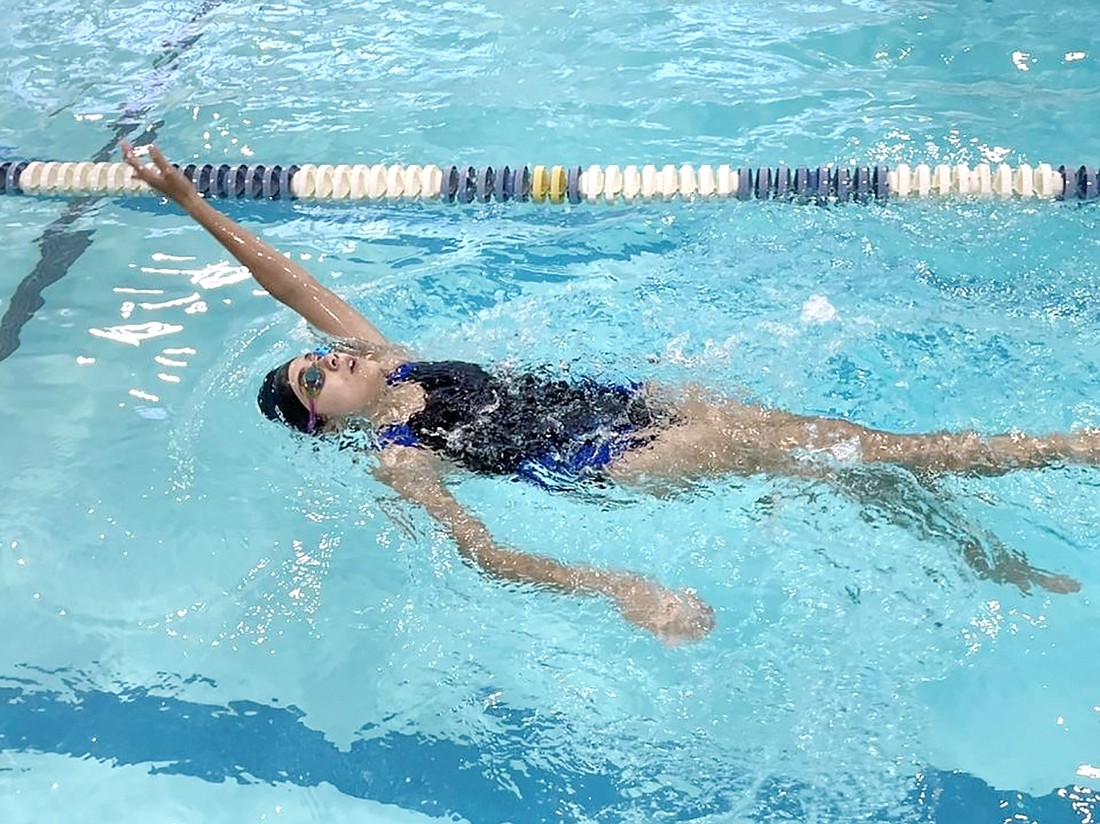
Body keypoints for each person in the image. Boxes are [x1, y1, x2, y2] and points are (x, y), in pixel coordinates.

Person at [123, 142, 1085, 645]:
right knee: (855, 449)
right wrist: (620, 586)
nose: (326, 360)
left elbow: (286, 281)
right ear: (323, 425)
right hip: (622, 456)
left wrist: (190, 203)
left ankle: (990, 562)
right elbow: (486, 553)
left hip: (640, 400)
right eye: (313, 381)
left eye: (316, 356)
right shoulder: (400, 455)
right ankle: (1068, 448)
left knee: (848, 460)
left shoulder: (391, 357)